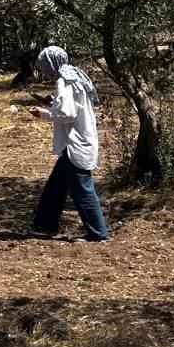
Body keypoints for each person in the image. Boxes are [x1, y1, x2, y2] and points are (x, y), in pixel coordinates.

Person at [27, 46, 109, 242]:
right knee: (55, 188)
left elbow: (68, 113)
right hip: (78, 142)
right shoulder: (75, 77)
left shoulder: (64, 81)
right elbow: (72, 106)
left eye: (45, 65)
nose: (44, 70)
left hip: (76, 144)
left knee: (83, 190)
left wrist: (44, 114)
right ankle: (44, 226)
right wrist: (54, 102)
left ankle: (98, 234)